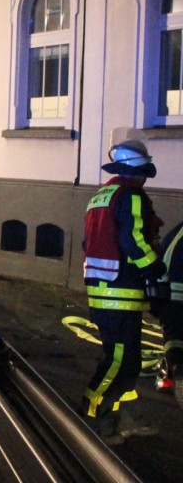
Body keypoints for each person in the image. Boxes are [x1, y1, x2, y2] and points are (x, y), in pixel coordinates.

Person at [80, 132, 167, 444]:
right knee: (119, 361)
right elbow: (134, 241)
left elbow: (88, 243)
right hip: (119, 295)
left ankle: (116, 418)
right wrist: (156, 271)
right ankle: (89, 420)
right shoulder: (130, 196)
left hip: (105, 292)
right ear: (139, 172)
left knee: (124, 361)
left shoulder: (100, 196)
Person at [158, 219, 183, 405]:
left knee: (173, 334)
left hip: (166, 294)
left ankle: (173, 370)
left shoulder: (176, 231)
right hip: (176, 292)